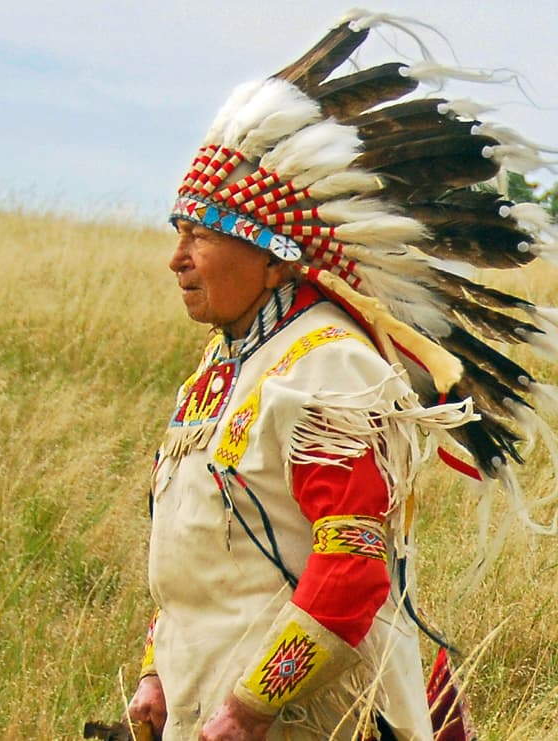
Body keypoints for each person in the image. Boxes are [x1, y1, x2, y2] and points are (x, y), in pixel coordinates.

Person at [124, 10, 558, 740]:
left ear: (274, 256)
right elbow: (202, 554)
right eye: (179, 231)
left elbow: (353, 566)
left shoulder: (328, 365)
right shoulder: (224, 365)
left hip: (312, 716)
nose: (179, 256)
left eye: (202, 234)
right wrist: (155, 671)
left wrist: (249, 704)